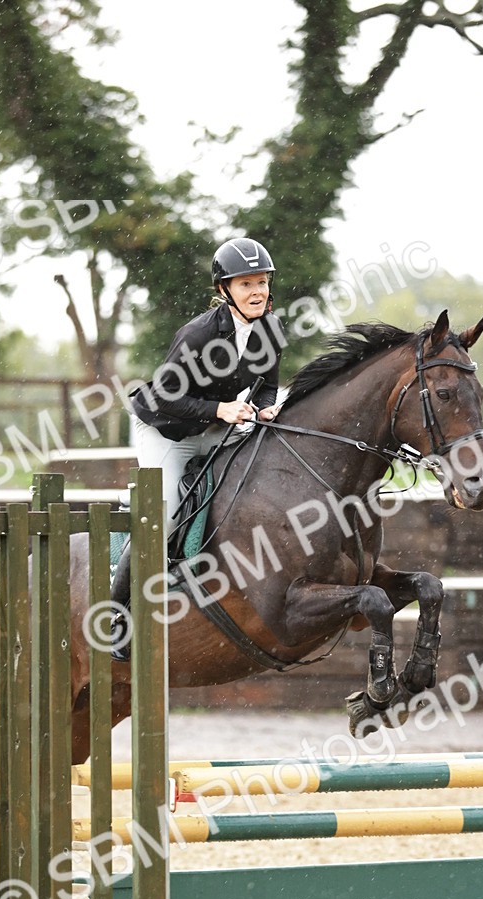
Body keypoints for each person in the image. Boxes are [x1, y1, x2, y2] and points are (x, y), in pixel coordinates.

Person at [111, 237, 286, 657]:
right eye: (245, 284)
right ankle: (119, 613)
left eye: (261, 282)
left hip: (215, 424)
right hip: (166, 430)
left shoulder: (270, 329)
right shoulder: (199, 334)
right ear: (225, 290)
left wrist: (262, 410)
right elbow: (164, 397)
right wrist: (222, 409)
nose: (257, 291)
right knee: (166, 512)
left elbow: (269, 386)